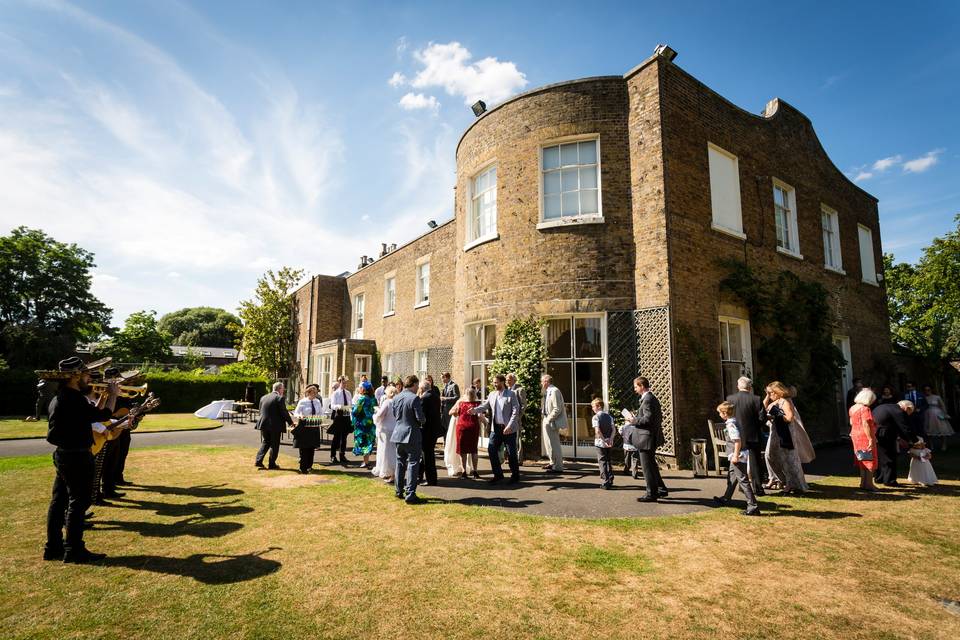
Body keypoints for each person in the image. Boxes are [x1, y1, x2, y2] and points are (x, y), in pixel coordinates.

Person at [45, 357, 119, 563]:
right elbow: (104, 414)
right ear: (75, 377)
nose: (89, 377)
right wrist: (113, 395)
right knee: (79, 503)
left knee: (58, 502)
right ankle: (74, 549)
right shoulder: (73, 399)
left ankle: (53, 547)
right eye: (86, 374)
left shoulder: (61, 397)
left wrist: (104, 395)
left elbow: (92, 415)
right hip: (77, 455)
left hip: (64, 454)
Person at [623, 376, 669, 502]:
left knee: (647, 467)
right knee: (652, 465)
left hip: (646, 438)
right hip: (649, 437)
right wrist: (636, 417)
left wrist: (634, 420)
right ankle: (661, 489)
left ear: (642, 386)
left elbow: (648, 419)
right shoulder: (650, 398)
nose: (635, 389)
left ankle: (651, 493)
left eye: (636, 387)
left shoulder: (647, 399)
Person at [470, 374, 521, 484]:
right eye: (493, 382)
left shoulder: (511, 394)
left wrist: (510, 426)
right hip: (496, 428)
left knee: (511, 453)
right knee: (491, 449)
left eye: (496, 382)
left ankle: (515, 475)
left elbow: (515, 411)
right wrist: (474, 410)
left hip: (509, 429)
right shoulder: (492, 394)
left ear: (502, 382)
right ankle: (498, 474)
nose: (494, 384)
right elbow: (485, 406)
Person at [712, 401, 760, 515]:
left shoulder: (731, 424)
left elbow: (737, 441)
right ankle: (726, 498)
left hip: (737, 455)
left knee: (743, 480)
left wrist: (735, 455)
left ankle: (753, 506)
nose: (719, 415)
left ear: (724, 413)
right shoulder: (735, 421)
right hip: (738, 454)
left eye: (719, 413)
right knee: (732, 477)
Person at [762, 381, 808, 493]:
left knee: (789, 459)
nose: (770, 394)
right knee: (771, 456)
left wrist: (777, 416)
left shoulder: (786, 401)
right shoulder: (776, 401)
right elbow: (763, 408)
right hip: (776, 432)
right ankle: (780, 480)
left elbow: (789, 418)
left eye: (771, 392)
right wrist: (767, 396)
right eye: (768, 393)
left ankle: (793, 484)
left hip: (785, 433)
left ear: (778, 392)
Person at [725, 376, 768, 496]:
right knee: (755, 462)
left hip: (736, 435)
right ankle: (758, 488)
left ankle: (737, 488)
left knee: (736, 462)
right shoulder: (756, 399)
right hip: (752, 434)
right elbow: (762, 418)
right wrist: (755, 426)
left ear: (738, 386)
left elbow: (727, 414)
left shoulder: (730, 398)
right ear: (749, 388)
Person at [391, 375, 426, 504]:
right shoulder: (414, 398)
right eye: (417, 386)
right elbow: (420, 418)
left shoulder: (396, 397)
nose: (418, 388)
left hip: (398, 433)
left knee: (400, 462)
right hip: (411, 434)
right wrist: (423, 420)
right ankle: (410, 493)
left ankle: (398, 490)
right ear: (414, 385)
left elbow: (395, 415)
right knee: (413, 463)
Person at [872, 400, 916, 486]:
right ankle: (889, 480)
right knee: (890, 456)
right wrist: (915, 441)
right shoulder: (898, 410)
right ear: (907, 408)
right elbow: (904, 427)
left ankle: (879, 478)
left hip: (875, 433)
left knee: (881, 457)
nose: (908, 415)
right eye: (909, 412)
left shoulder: (884, 406)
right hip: (885, 434)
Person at [255, 381, 293, 470]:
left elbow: (261, 410)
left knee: (266, 442)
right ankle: (272, 464)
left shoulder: (264, 397)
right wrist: (291, 423)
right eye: (283, 389)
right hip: (275, 425)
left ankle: (258, 461)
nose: (283, 391)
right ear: (279, 389)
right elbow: (284, 412)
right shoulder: (279, 398)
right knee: (274, 445)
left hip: (263, 423)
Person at [848, 387, 880, 492]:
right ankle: (869, 484)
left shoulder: (852, 408)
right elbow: (866, 424)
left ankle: (863, 483)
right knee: (869, 459)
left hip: (855, 435)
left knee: (862, 459)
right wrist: (870, 438)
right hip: (864, 436)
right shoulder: (865, 409)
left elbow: (851, 423)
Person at [450, 387, 482, 479]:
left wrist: (455, 413)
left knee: (462, 450)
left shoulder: (461, 403)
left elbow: (452, 412)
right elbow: (480, 416)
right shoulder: (477, 404)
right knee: (474, 450)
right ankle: (475, 471)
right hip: (473, 427)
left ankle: (464, 472)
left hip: (462, 427)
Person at [292, 384, 324, 474]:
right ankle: (302, 468)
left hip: (314, 426)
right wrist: (300, 415)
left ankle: (309, 466)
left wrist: (320, 418)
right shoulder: (302, 402)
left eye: (316, 393)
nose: (315, 394)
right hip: (305, 426)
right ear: (308, 393)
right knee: (304, 448)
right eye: (313, 393)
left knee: (311, 448)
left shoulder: (317, 401)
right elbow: (296, 413)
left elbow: (320, 413)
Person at [540, 374, 566, 473]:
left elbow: (557, 408)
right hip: (546, 418)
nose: (541, 383)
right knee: (548, 443)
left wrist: (549, 419)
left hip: (551, 420)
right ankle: (552, 462)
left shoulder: (554, 391)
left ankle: (558, 466)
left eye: (542, 381)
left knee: (554, 443)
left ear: (546, 381)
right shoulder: (548, 391)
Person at [418, 377, 443, 485]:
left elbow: (421, 415)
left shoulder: (425, 398)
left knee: (427, 456)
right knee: (427, 455)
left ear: (422, 388)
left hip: (427, 430)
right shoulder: (435, 396)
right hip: (434, 429)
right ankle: (420, 475)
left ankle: (431, 479)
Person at [372, 385, 398, 482]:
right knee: (393, 452)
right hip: (394, 428)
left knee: (385, 452)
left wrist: (375, 414)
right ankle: (394, 473)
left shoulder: (387, 402)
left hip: (386, 430)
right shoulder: (396, 402)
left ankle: (388, 472)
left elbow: (380, 415)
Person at [351, 381, 377, 469]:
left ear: (364, 389)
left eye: (361, 388)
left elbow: (355, 411)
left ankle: (366, 462)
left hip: (362, 424)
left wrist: (352, 410)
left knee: (364, 442)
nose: (359, 389)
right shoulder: (374, 399)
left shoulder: (362, 399)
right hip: (371, 423)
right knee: (369, 441)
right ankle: (366, 461)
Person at [328, 376, 353, 466]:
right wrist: (338, 406)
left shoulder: (348, 393)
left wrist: (351, 407)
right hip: (339, 415)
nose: (345, 384)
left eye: (346, 382)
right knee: (337, 437)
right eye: (343, 382)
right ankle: (333, 456)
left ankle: (342, 455)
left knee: (344, 437)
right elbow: (332, 405)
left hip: (346, 416)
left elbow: (350, 403)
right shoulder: (335, 393)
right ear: (339, 383)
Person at [922, 384, 954, 451]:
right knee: (929, 431)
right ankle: (931, 446)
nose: (927, 391)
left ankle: (944, 445)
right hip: (928, 415)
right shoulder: (924, 398)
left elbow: (942, 405)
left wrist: (944, 413)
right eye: (925, 390)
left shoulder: (937, 397)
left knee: (942, 430)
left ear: (931, 390)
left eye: (928, 390)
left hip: (937, 414)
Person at [592, 398, 615, 489]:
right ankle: (610, 478)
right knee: (608, 460)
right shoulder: (609, 417)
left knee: (602, 461)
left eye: (593, 406)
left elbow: (597, 431)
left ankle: (605, 481)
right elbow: (614, 429)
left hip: (600, 442)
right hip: (609, 441)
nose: (593, 408)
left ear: (599, 406)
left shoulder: (596, 417)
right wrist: (611, 439)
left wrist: (604, 440)